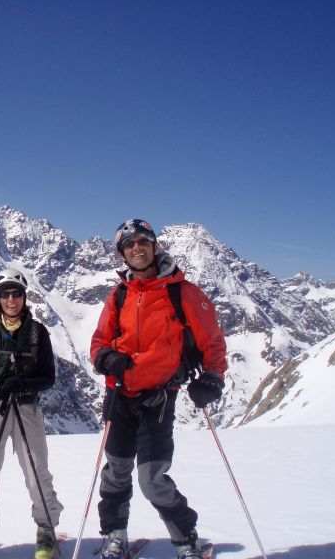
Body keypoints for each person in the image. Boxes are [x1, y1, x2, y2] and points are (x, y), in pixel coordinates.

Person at [90, 219, 228, 559]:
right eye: (129, 244)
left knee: (152, 478)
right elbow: (99, 342)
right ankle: (114, 535)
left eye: (142, 242)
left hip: (159, 397)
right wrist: (106, 359)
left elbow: (213, 341)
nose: (137, 248)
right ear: (122, 254)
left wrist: (213, 378)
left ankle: (185, 540)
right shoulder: (119, 295)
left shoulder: (183, 292)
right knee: (116, 471)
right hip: (120, 395)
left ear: (154, 246)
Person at [0, 268, 64, 559]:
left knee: (37, 473)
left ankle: (46, 528)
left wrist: (21, 383)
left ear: (23, 296)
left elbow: (48, 377)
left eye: (16, 293)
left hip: (26, 406)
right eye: (5, 294)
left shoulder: (37, 332)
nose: (11, 299)